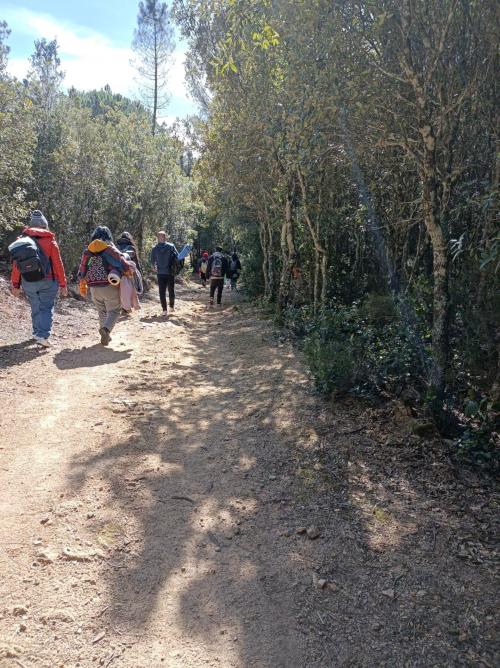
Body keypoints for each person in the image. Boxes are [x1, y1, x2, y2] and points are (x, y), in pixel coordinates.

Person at [9, 210, 68, 347]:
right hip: (48, 280)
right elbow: (58, 264)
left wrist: (15, 284)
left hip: (28, 281)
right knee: (46, 307)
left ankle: (36, 333)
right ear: (44, 225)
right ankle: (43, 336)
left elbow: (16, 266)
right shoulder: (50, 240)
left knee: (35, 306)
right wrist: (63, 284)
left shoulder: (21, 241)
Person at [78, 226, 133, 346]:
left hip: (93, 287)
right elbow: (123, 262)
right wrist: (129, 272)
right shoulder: (110, 249)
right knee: (114, 310)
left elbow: (82, 270)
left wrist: (83, 283)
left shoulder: (87, 251)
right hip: (109, 284)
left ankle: (105, 335)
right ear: (109, 237)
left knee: (101, 311)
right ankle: (106, 330)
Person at [150, 231, 178, 316]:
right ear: (165, 237)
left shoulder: (155, 248)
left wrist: (154, 268)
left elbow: (152, 262)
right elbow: (177, 257)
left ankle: (165, 310)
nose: (161, 238)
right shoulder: (171, 246)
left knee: (162, 292)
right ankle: (170, 307)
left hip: (161, 273)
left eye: (160, 236)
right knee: (170, 290)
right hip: (169, 272)